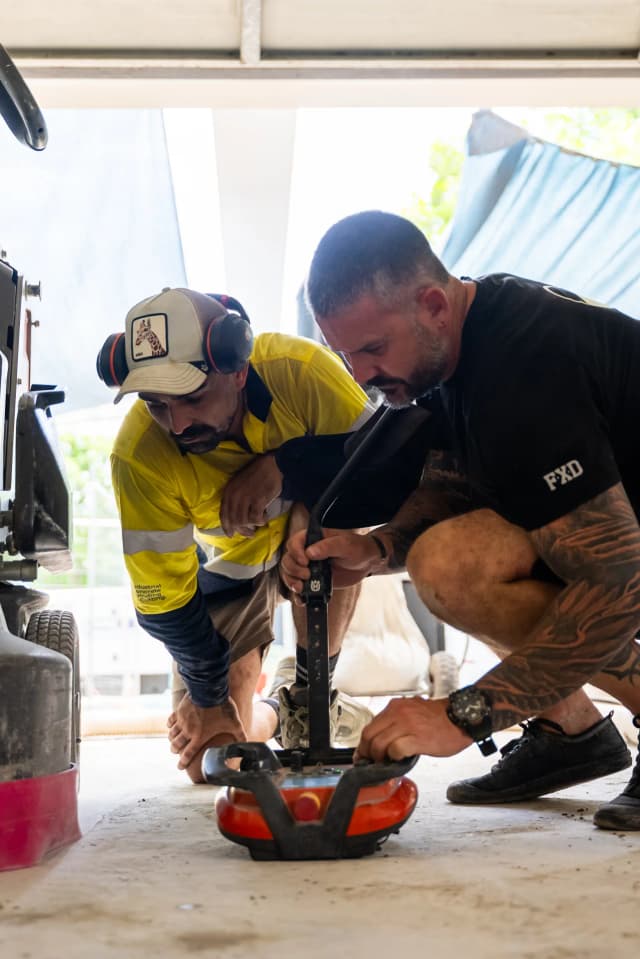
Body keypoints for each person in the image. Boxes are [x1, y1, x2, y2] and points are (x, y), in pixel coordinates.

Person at [280, 209, 640, 831]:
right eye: (345, 355)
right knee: (447, 564)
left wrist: (464, 714)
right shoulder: (456, 348)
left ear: (432, 306)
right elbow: (451, 482)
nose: (361, 375)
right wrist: (378, 550)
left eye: (371, 349)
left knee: (595, 576)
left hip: (625, 559)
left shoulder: (527, 366)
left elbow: (619, 581)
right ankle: (570, 732)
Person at [97, 286, 376, 781]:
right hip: (232, 572)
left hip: (308, 526)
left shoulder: (302, 371)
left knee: (333, 527)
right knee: (216, 760)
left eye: (192, 398)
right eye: (157, 404)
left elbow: (382, 460)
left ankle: (315, 693)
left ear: (238, 370)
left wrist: (287, 468)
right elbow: (165, 608)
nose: (178, 424)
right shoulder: (138, 455)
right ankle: (284, 704)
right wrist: (209, 694)